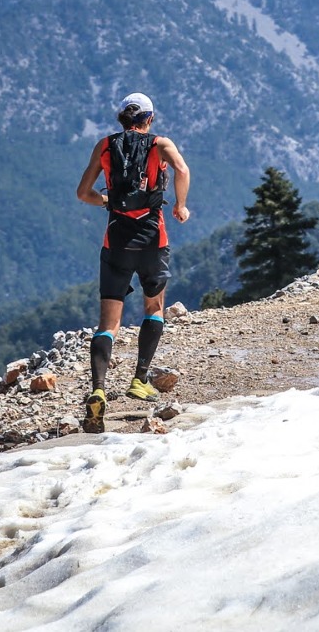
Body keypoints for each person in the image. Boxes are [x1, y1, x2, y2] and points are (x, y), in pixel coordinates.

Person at [74, 91, 191, 433]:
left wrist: (107, 202)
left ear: (122, 119)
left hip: (116, 239)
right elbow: (182, 170)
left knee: (108, 322)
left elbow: (83, 193)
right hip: (154, 238)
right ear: (150, 119)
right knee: (153, 306)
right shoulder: (160, 144)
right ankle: (140, 379)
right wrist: (180, 205)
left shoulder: (105, 146)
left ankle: (98, 389)